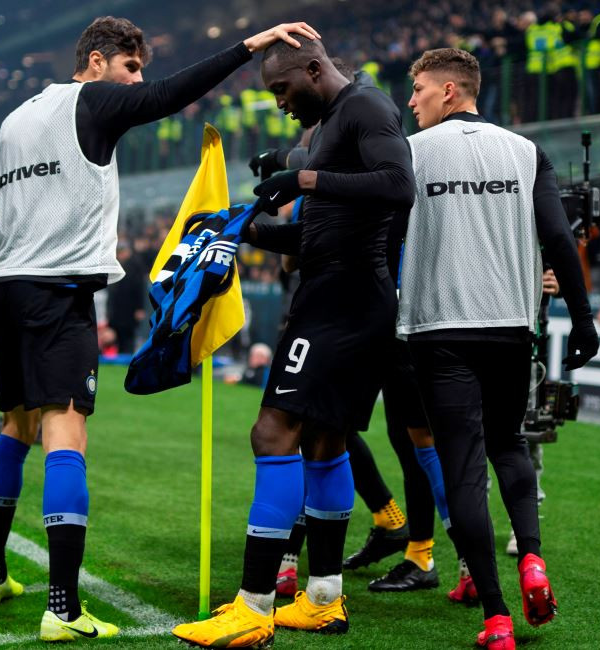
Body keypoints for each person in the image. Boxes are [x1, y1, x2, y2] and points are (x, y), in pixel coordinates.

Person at [0, 15, 318, 643]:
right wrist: (245, 46)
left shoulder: (16, 118)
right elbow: (165, 98)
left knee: (16, 425)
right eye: (130, 68)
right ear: (96, 62)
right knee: (65, 431)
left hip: (11, 288)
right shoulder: (93, 100)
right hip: (58, 289)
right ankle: (64, 610)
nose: (137, 81)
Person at [173, 34, 416, 647]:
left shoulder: (365, 107)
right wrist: (243, 228)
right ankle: (323, 599)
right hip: (345, 293)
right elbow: (318, 236)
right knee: (326, 443)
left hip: (343, 300)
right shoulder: (338, 117)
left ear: (313, 69)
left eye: (282, 89)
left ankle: (253, 608)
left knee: (272, 431)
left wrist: (306, 177)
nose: (280, 104)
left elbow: (398, 184)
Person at [398, 48, 598, 649]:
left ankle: (496, 616)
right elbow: (560, 238)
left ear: (451, 92)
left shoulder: (411, 154)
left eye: (419, 89)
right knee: (510, 444)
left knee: (462, 467)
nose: (411, 101)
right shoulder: (526, 151)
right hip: (511, 326)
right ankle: (532, 561)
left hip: (439, 330)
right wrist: (583, 321)